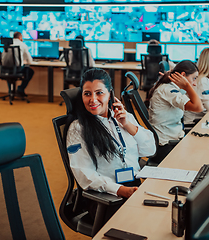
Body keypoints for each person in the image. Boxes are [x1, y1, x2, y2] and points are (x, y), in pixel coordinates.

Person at [66, 68, 156, 199]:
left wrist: (127, 124)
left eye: (99, 93)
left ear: (110, 95)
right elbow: (84, 173)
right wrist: (121, 190)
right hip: (107, 197)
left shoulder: (123, 117)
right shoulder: (78, 128)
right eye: (87, 94)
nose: (93, 99)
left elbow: (150, 150)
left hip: (134, 185)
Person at [148, 60, 203, 166]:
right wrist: (187, 85)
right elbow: (198, 107)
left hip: (172, 139)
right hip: (165, 147)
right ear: (183, 75)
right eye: (194, 78)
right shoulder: (169, 90)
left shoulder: (171, 88)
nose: (195, 83)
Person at [2, 31, 34, 97]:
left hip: (5, 69)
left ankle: (11, 91)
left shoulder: (7, 44)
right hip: (17, 69)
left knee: (10, 73)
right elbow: (30, 61)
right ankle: (21, 89)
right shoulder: (23, 45)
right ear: (20, 37)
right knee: (30, 71)